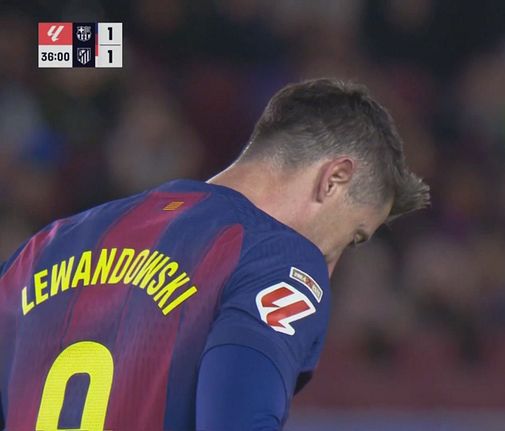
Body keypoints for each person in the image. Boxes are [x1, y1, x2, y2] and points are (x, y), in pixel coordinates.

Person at [0, 78, 429, 430]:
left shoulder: (41, 250)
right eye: (353, 238)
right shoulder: (279, 261)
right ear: (333, 178)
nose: (330, 270)